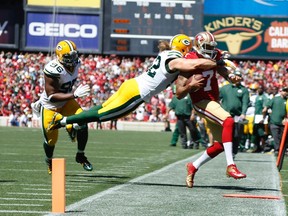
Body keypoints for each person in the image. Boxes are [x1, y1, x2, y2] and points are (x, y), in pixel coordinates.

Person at [46, 34, 234, 131]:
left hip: (132, 85)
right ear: (183, 48)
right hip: (137, 93)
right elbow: (197, 63)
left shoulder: (167, 53)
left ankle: (70, 122)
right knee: (102, 116)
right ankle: (63, 121)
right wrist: (217, 61)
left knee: (102, 109)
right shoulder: (175, 58)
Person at [175, 31, 246, 188]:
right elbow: (179, 93)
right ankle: (230, 166)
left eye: (212, 47)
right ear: (199, 46)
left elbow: (220, 69)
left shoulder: (215, 55)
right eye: (207, 47)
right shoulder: (189, 61)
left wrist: (229, 77)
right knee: (228, 120)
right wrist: (190, 86)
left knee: (220, 144)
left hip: (213, 101)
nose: (211, 50)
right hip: (201, 102)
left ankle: (193, 166)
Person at [36, 40, 93, 174]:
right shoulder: (53, 69)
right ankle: (49, 160)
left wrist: (73, 96)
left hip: (67, 102)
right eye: (69, 57)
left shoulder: (77, 63)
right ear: (59, 56)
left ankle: (80, 155)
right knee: (51, 140)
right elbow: (52, 96)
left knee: (83, 120)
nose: (73, 60)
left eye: (74, 56)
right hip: (51, 106)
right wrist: (74, 95)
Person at [219, 69, 250, 157]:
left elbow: (245, 102)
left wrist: (243, 113)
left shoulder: (244, 90)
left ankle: (233, 151)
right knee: (225, 133)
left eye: (239, 76)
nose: (237, 78)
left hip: (237, 115)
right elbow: (217, 98)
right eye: (235, 76)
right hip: (225, 114)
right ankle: (224, 150)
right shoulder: (224, 88)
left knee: (236, 134)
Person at [263, 86, 288, 156]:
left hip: (283, 123)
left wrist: (286, 118)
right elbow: (266, 107)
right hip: (274, 121)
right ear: (281, 91)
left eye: (287, 91)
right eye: (284, 91)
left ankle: (283, 150)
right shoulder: (275, 99)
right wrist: (264, 116)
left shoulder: (287, 100)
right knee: (276, 137)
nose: (286, 92)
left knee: (283, 137)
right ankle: (277, 150)